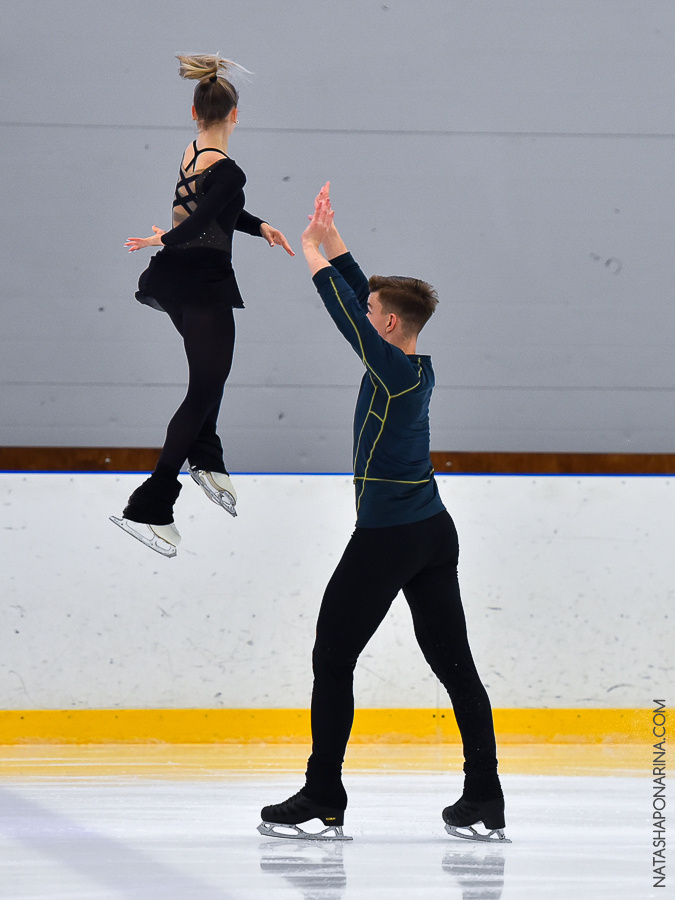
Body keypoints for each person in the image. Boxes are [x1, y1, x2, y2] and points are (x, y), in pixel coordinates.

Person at [258, 184, 508, 843]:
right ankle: (484, 796)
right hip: (431, 531)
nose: (368, 313)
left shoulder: (393, 373)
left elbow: (345, 313)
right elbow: (360, 299)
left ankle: (322, 793)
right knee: (454, 666)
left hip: (391, 536)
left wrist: (311, 253)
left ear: (389, 325)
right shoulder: (413, 366)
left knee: (330, 656)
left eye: (376, 311)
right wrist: (335, 242)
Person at [110, 54, 293, 557]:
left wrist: (260, 227)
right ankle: (152, 504)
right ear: (236, 115)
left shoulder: (192, 153)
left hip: (174, 283)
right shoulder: (231, 170)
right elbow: (195, 224)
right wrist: (162, 239)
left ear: (196, 113)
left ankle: (208, 455)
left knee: (208, 380)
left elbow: (215, 210)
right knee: (205, 387)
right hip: (202, 284)